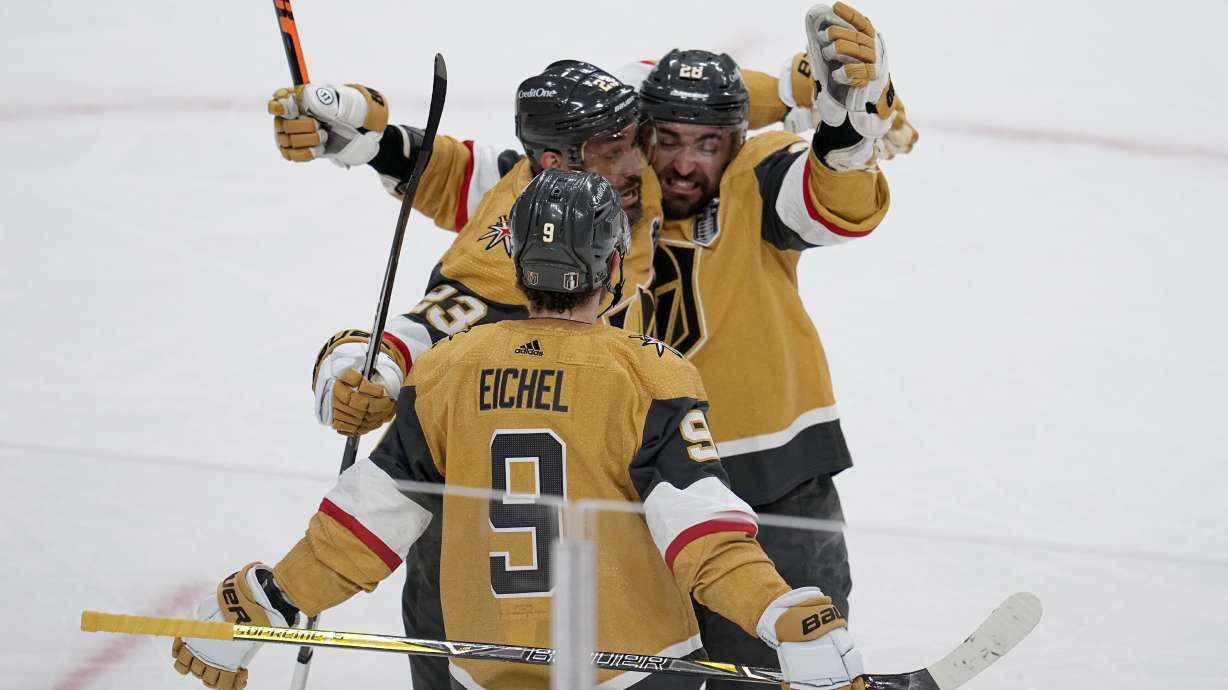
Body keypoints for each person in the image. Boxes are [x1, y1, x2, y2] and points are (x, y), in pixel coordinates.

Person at [169, 170, 865, 690]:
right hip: (635, 672)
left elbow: (365, 523)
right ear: (615, 267)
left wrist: (265, 603)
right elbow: (703, 536)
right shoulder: (652, 373)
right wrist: (780, 612)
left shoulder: (446, 371)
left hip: (487, 671)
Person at [613, 5, 906, 686]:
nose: (686, 163)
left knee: (788, 671)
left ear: (738, 141)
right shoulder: (606, 187)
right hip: (634, 497)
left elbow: (831, 204)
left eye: (709, 144)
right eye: (671, 140)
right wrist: (791, 82)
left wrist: (847, 136)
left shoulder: (761, 172)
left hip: (774, 490)